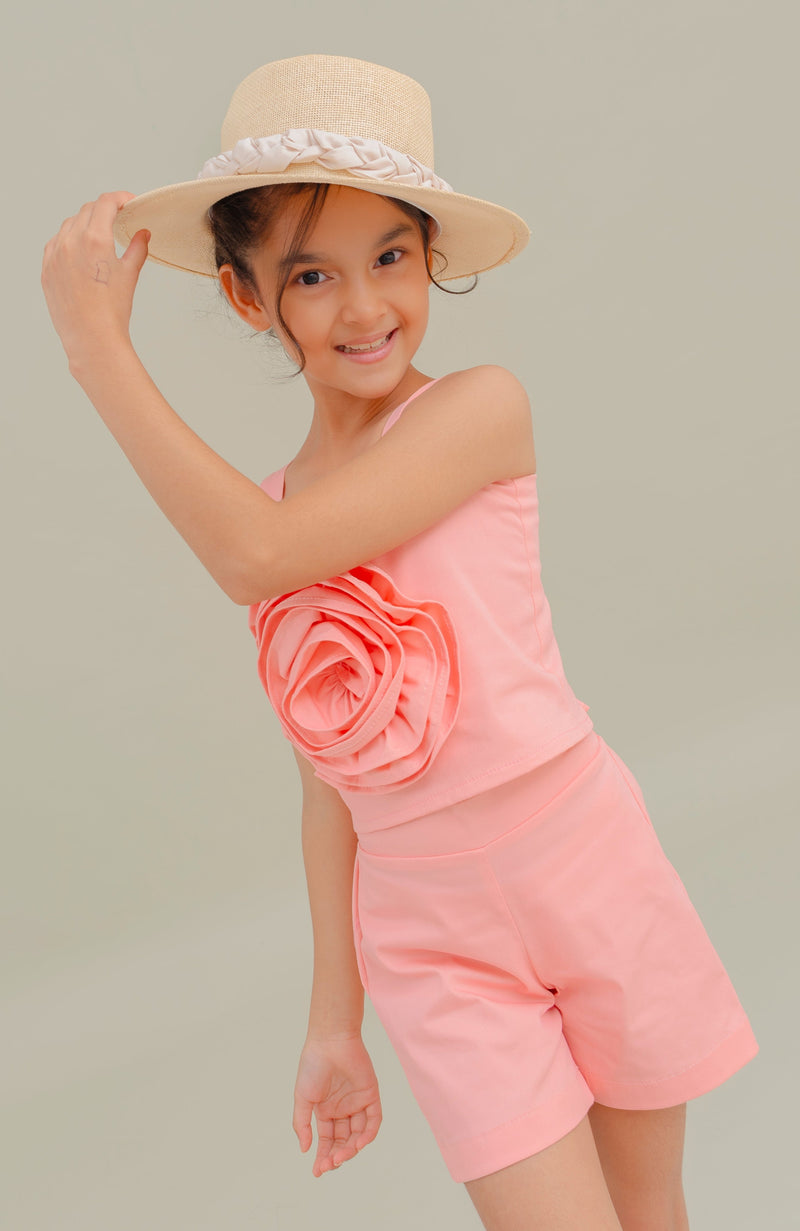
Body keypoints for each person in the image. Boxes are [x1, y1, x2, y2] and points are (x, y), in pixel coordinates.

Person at [41, 53, 758, 1231]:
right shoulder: (269, 509)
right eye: (310, 275)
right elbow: (329, 786)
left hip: (582, 864)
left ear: (429, 257)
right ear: (246, 299)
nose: (364, 306)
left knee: (647, 1209)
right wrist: (335, 1020)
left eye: (389, 257)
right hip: (429, 934)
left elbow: (256, 558)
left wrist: (97, 355)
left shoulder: (477, 409)